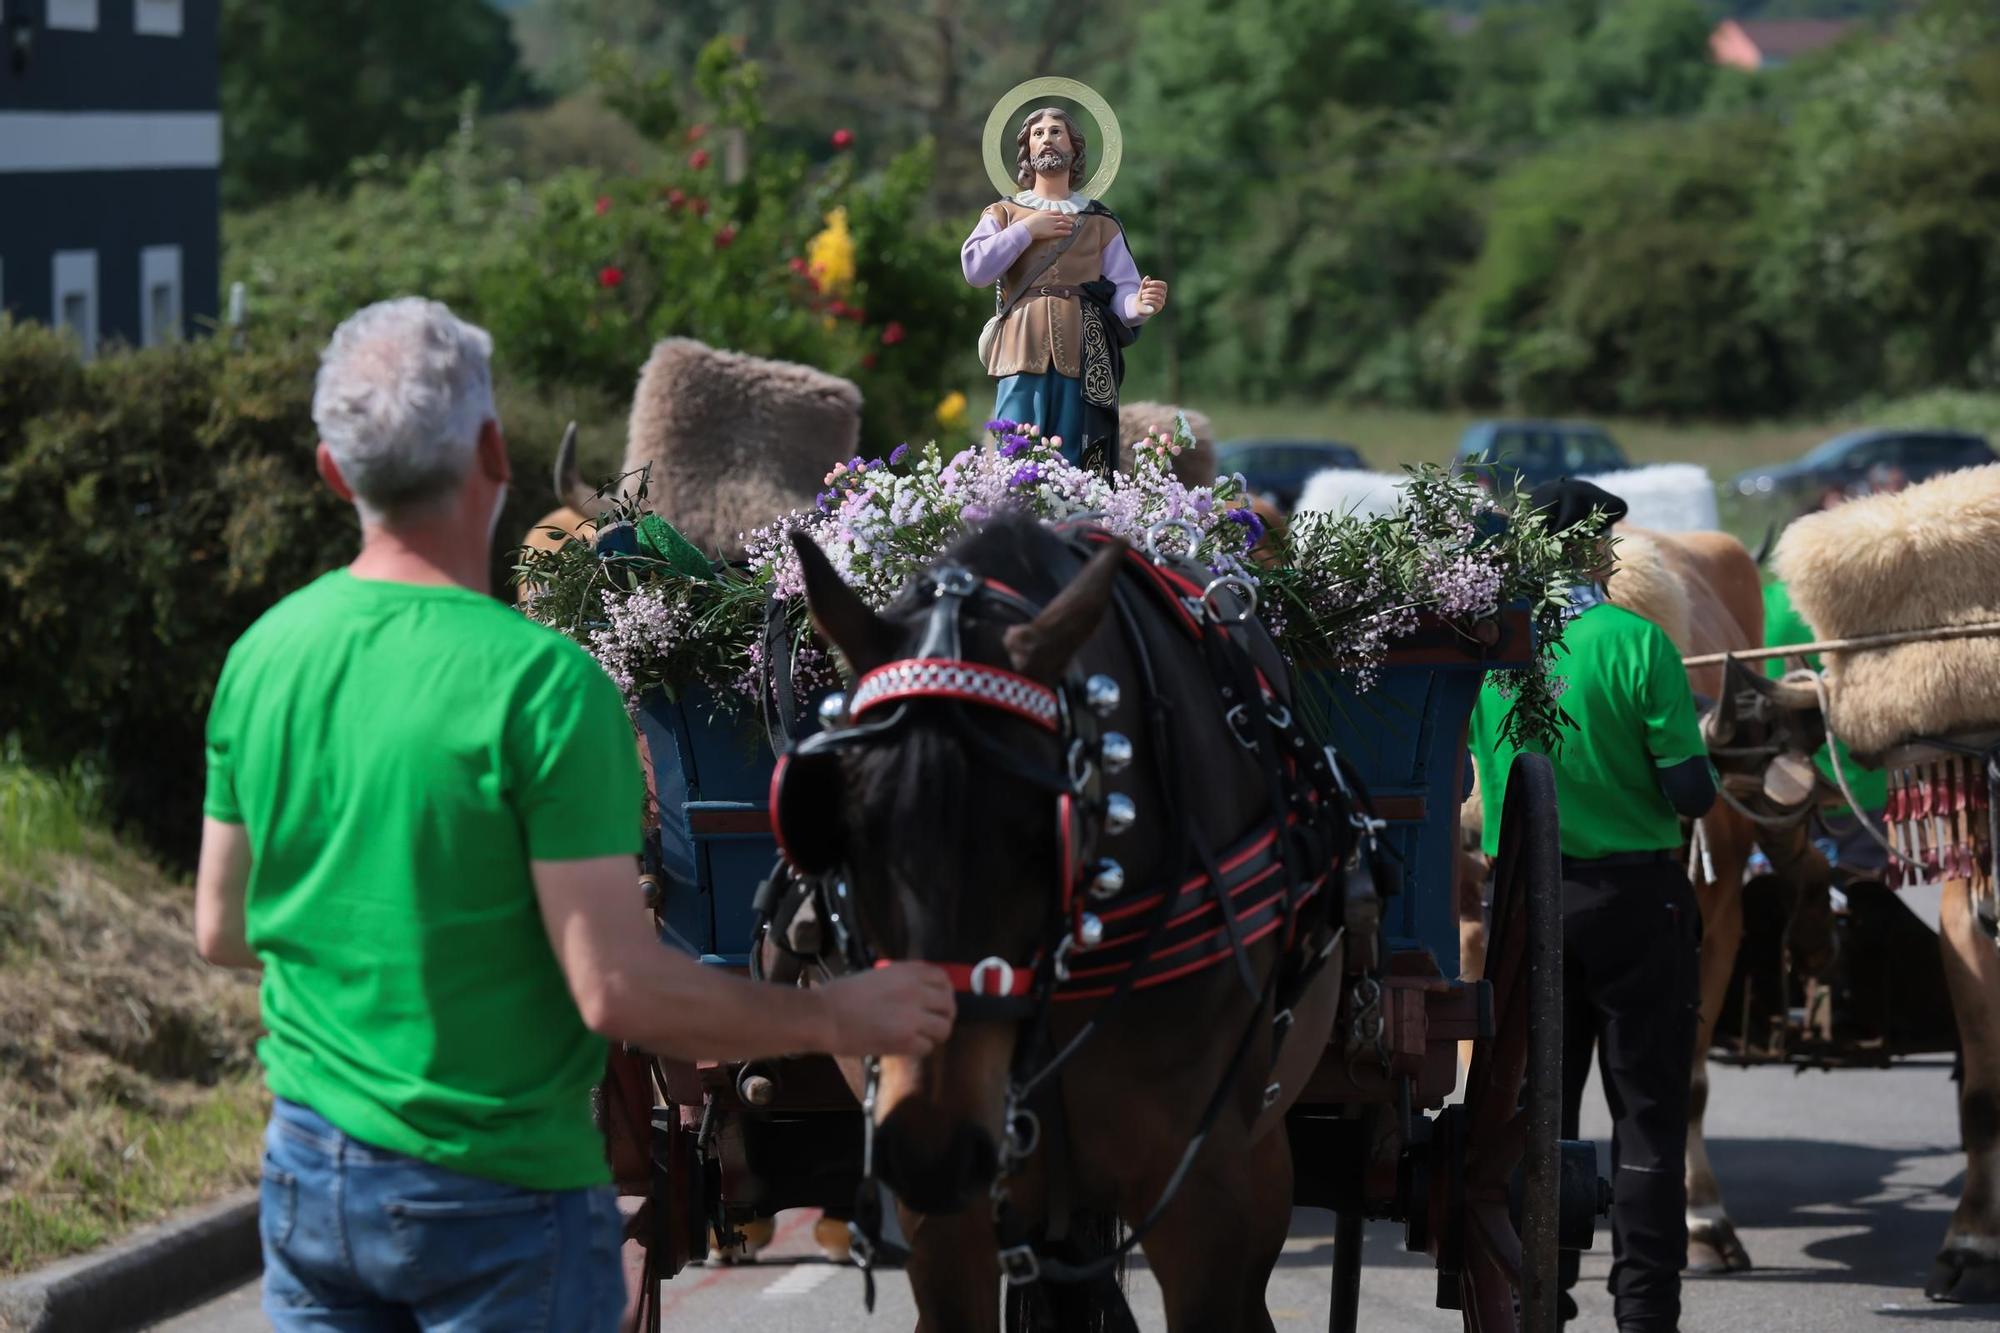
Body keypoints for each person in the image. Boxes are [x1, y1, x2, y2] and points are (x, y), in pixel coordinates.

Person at [194, 297, 955, 1332]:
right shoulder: (543, 689)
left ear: (333, 471)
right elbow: (616, 991)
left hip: (309, 1177)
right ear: (495, 454)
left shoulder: (263, 657)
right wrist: (836, 1016)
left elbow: (224, 927)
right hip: (496, 1193)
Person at [1467, 477, 1716, 1333]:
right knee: (1647, 1114)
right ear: (1579, 549)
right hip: (1636, 903)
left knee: (1543, 1114)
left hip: (1526, 908)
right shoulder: (1639, 645)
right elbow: (1691, 795)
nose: (1614, 554)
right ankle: (1645, 1314)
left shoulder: (1500, 651)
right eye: (1605, 541)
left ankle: (1546, 1294)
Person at [961, 104, 1167, 473]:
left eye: (1056, 132)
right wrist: (1028, 230)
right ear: (1027, 150)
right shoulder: (1005, 213)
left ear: (1074, 148)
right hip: (1021, 343)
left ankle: (1076, 518)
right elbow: (975, 267)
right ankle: (1017, 517)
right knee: (1016, 441)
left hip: (1083, 346)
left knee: (1076, 447)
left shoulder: (1099, 221)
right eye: (1038, 134)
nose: (1047, 140)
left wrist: (1139, 304)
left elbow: (1122, 288)